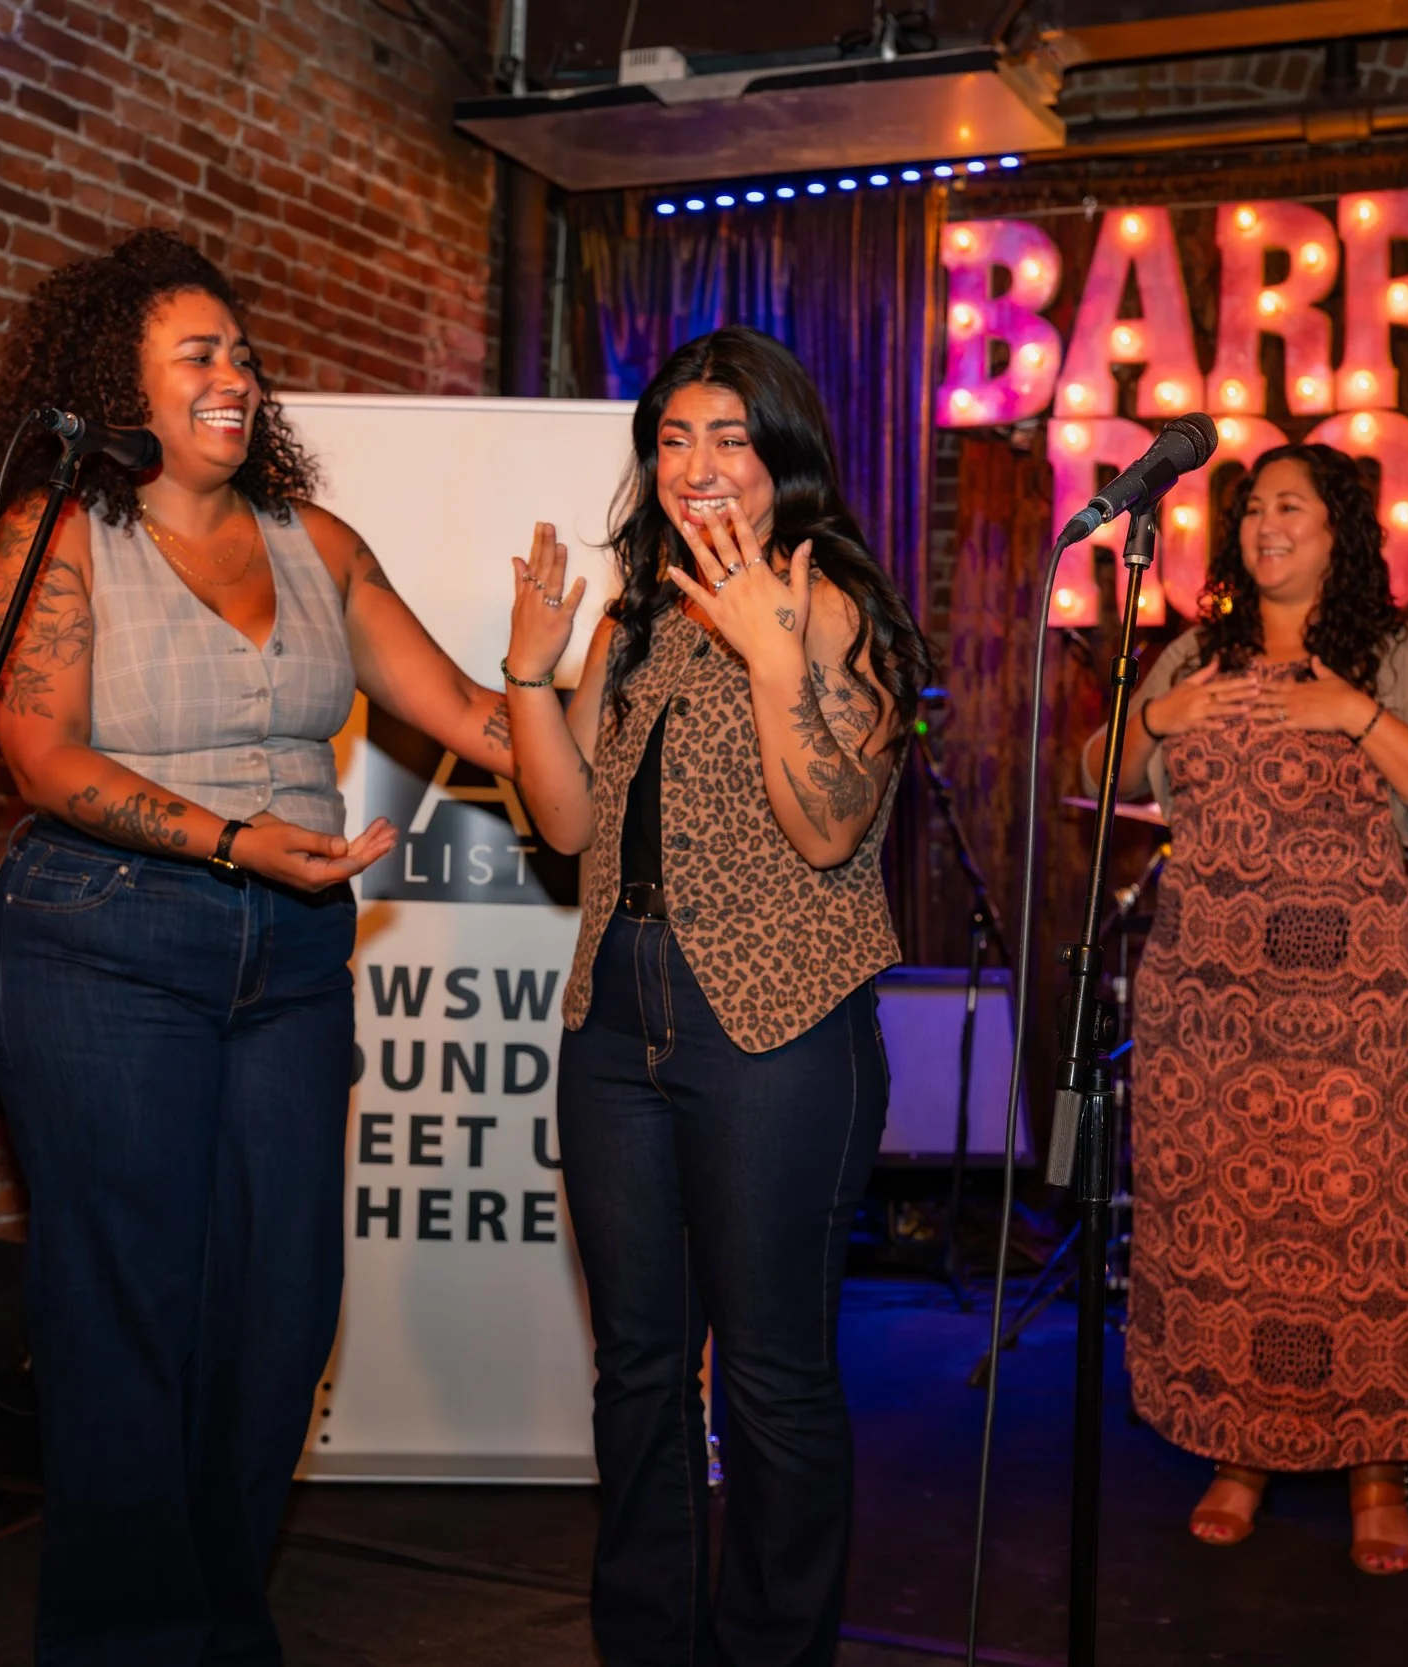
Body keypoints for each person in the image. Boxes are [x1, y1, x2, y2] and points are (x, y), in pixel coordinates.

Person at [0, 228, 514, 1664]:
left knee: (280, 1307)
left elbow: (473, 717)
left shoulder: (315, 544)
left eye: (243, 354)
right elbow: (40, 753)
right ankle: (132, 1641)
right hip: (105, 940)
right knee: (127, 1313)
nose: (236, 376)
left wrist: (583, 694)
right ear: (118, 379)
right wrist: (225, 841)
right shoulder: (58, 530)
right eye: (198, 353)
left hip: (291, 959)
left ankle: (215, 1616)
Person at [501, 326, 931, 1665]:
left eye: (728, 438)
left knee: (770, 1374)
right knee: (637, 1369)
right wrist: (529, 671)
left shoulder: (835, 603)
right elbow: (569, 825)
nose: (695, 465)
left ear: (780, 455)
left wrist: (773, 655)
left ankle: (773, 1648)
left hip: (778, 1029)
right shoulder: (635, 614)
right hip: (615, 1020)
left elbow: (831, 826)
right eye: (673, 438)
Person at [1085, 442, 1408, 1575]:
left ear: (1337, 532)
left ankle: (1377, 1471)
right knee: (1226, 1230)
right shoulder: (1196, 652)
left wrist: (1352, 711)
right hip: (1209, 1013)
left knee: (1358, 1230)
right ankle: (1240, 1449)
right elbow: (1097, 767)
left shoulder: (1397, 655)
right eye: (1253, 508)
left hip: (1349, 1014)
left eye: (1291, 507)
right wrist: (1160, 714)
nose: (1266, 524)